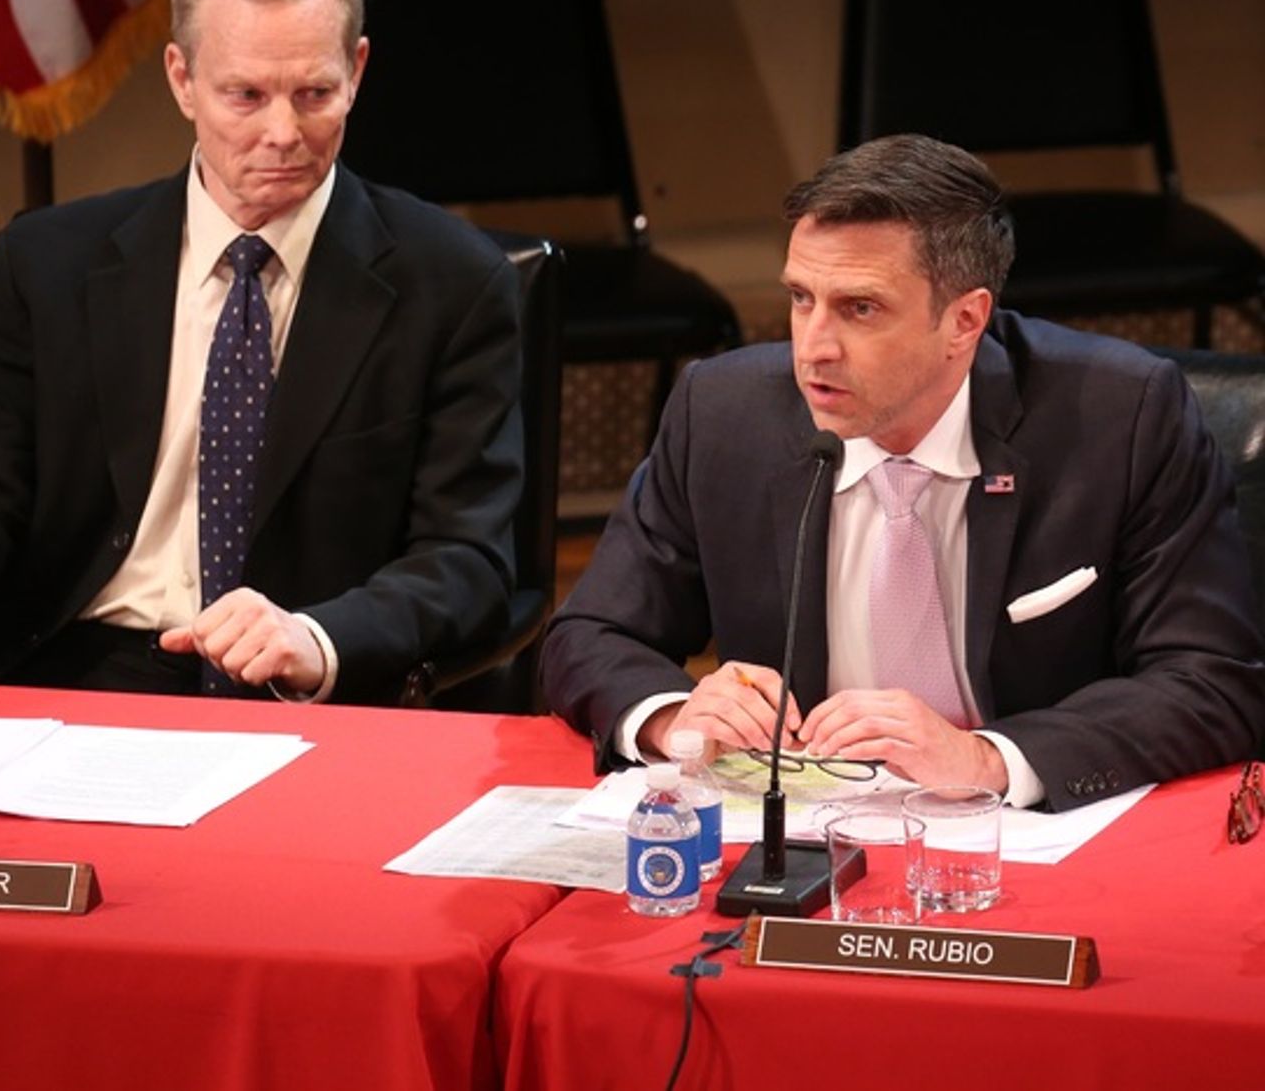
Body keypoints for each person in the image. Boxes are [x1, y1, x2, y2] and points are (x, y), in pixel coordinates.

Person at [0, 0, 523, 704]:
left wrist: (315, 637)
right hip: (71, 676)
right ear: (182, 79)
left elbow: (467, 558)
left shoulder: (452, 282)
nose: (283, 132)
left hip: (300, 685)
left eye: (314, 92)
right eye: (245, 95)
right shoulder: (47, 265)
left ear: (357, 70)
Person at [542, 134, 1265, 810]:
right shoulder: (723, 414)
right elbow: (591, 633)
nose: (814, 348)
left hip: (1025, 840)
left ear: (964, 321)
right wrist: (675, 714)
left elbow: (1209, 678)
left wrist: (988, 757)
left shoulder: (1122, 418)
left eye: (860, 308)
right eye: (801, 298)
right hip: (796, 834)